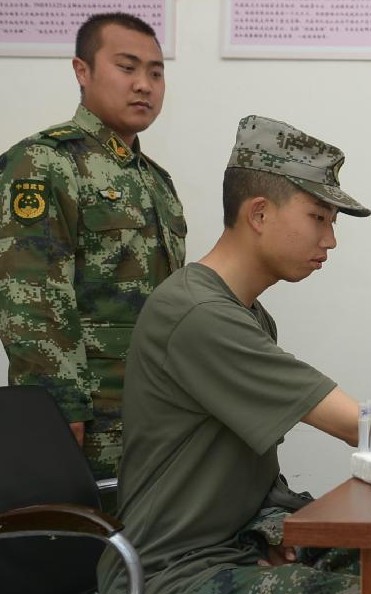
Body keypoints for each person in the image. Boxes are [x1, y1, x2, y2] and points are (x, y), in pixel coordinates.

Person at [97, 115, 371, 594]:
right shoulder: (199, 313)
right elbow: (357, 425)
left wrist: (268, 532)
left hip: (236, 546)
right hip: (175, 570)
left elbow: (249, 473)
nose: (330, 240)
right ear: (259, 214)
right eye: (318, 218)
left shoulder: (245, 312)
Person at [0, 12, 186, 482]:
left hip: (153, 412)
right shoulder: (44, 162)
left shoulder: (156, 180)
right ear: (82, 71)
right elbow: (32, 299)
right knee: (75, 543)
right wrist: (59, 409)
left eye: (156, 72)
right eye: (127, 67)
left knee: (142, 544)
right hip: (84, 416)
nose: (144, 84)